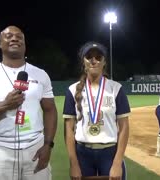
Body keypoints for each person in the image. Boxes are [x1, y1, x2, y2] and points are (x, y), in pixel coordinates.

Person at [0, 26, 57, 180]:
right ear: (0, 44)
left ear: (24, 44)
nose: (15, 39)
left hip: (35, 147)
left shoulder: (41, 74)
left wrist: (48, 145)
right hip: (1, 149)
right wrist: (5, 105)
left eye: (19, 37)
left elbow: (50, 110)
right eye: (8, 36)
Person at [63, 42, 130, 180]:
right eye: (89, 57)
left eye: (99, 57)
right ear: (83, 61)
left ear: (104, 62)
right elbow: (68, 129)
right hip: (83, 154)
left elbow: (124, 127)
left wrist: (117, 163)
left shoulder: (116, 89)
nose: (94, 61)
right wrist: (74, 163)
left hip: (110, 152)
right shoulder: (72, 90)